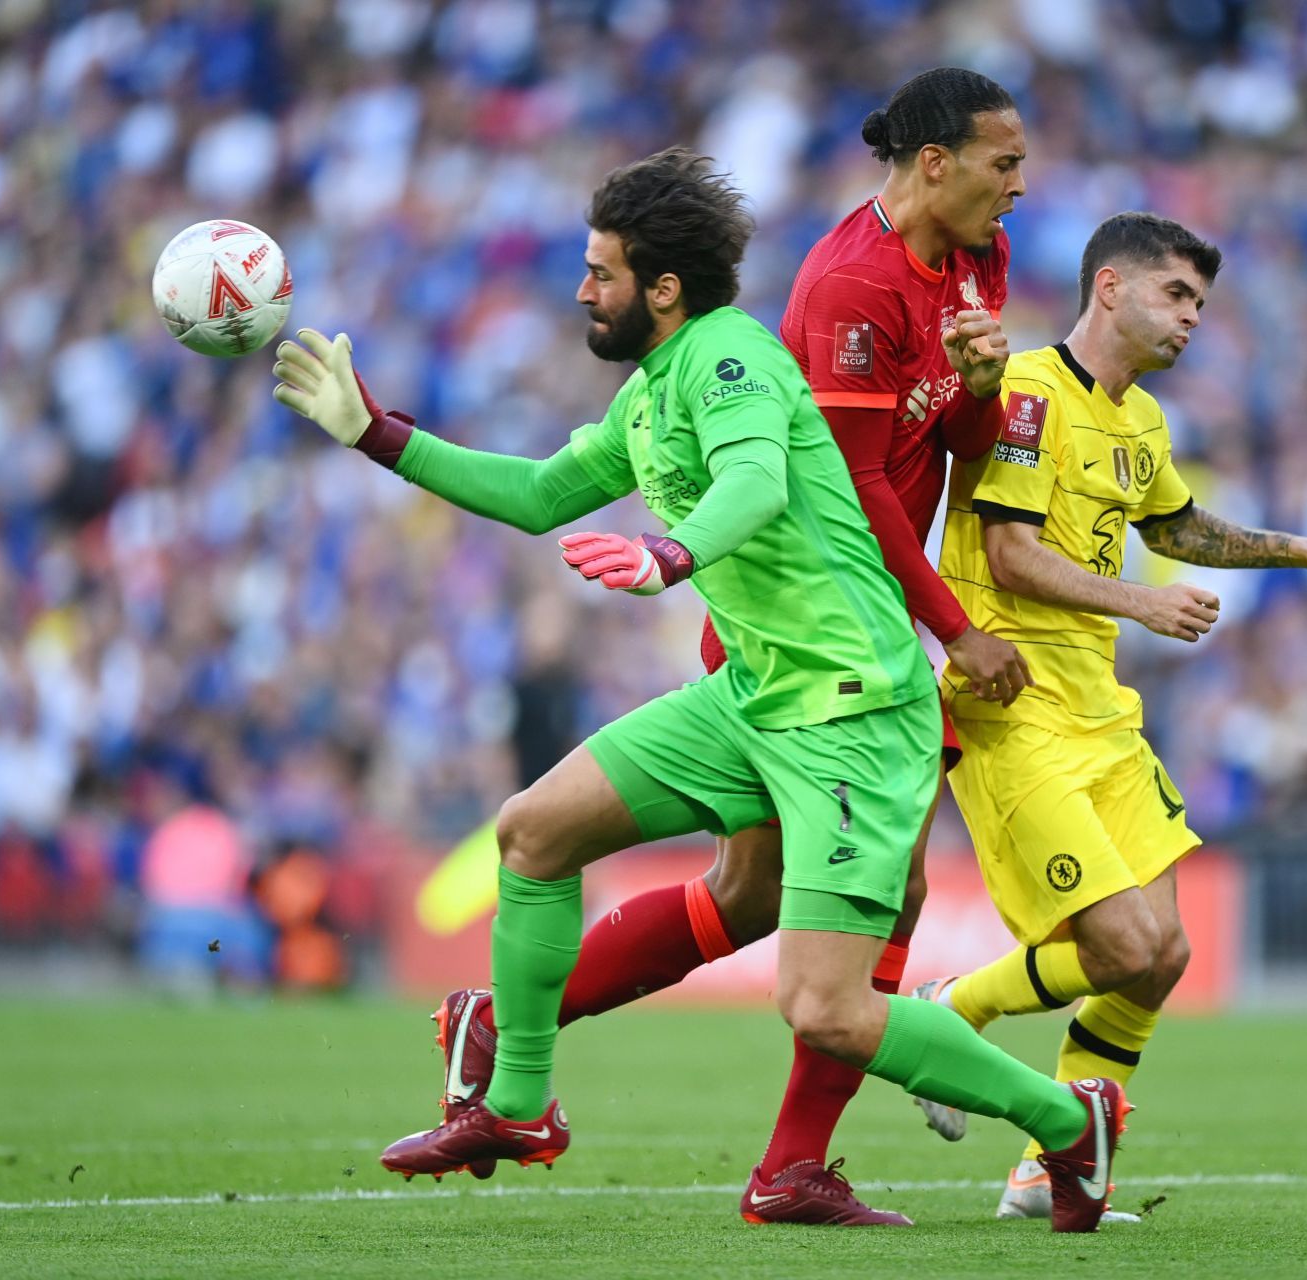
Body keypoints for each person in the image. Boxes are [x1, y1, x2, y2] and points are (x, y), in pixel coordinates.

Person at [272, 147, 1128, 1232]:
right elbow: (539, 494)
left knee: (822, 1005)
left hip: (851, 711)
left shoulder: (730, 359)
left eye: (601, 272)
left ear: (662, 288)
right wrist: (373, 431)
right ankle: (519, 1107)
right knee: (532, 832)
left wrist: (670, 556)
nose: (583, 289)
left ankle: (1066, 1119)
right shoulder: (651, 389)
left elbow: (757, 483)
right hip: (757, 695)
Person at [424, 67, 1034, 1226]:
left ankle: (521, 1032)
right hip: (823, 631)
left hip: (849, 625)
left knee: (758, 894)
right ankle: (815, 1153)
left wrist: (987, 387)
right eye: (1004, 163)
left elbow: (956, 438)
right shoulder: (848, 287)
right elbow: (847, 487)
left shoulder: (974, 257)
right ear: (937, 165)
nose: (1021, 185)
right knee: (865, 908)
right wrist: (953, 629)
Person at [911, 212, 1307, 1218]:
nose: (1192, 319)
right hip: (1016, 707)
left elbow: (1177, 523)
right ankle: (949, 1013)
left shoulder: (1140, 422)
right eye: (1177, 296)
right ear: (1111, 290)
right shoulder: (1031, 395)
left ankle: (1046, 1172)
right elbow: (1006, 552)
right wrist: (1142, 599)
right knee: (1126, 944)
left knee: (1162, 955)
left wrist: (1305, 548)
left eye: (1201, 305)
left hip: (1103, 712)